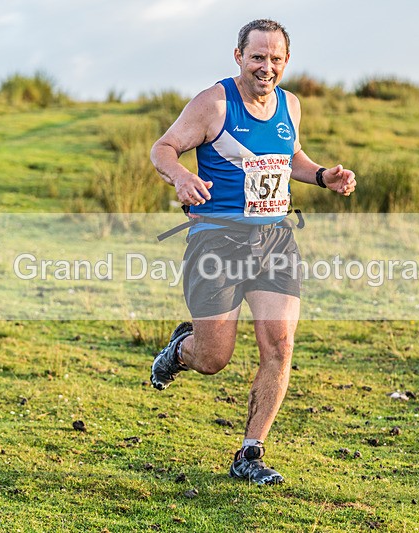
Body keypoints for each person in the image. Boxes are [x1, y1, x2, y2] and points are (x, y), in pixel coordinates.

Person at [149, 18, 356, 485]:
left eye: (275, 59)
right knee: (213, 359)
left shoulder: (291, 105)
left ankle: (250, 453)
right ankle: (180, 352)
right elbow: (163, 148)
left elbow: (291, 158)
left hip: (275, 239)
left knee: (280, 346)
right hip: (216, 242)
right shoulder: (214, 104)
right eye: (257, 57)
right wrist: (181, 177)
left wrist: (323, 175)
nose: (266, 67)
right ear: (239, 56)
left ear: (286, 62)